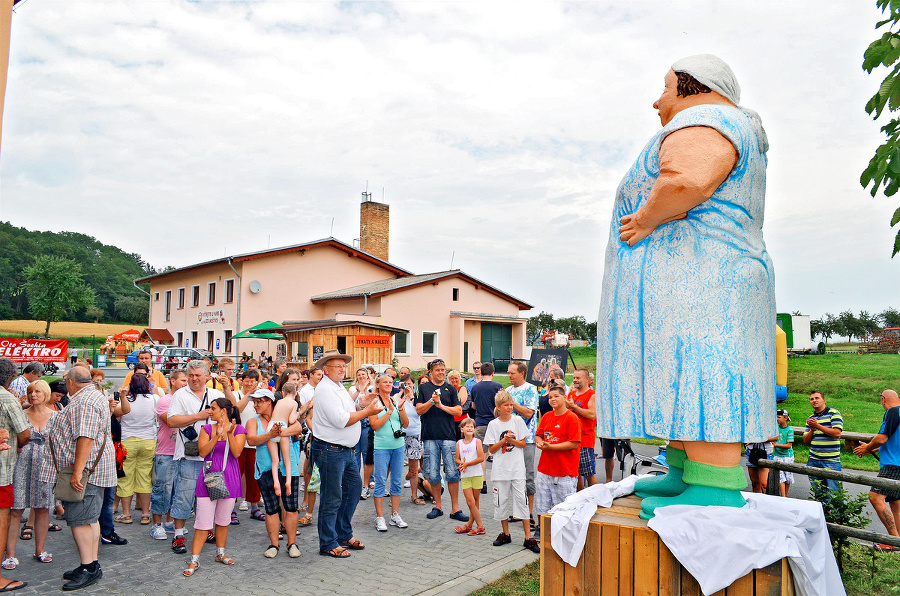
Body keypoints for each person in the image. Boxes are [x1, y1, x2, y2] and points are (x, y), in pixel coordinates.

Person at [596, 55, 775, 519]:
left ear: (692, 88)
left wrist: (644, 218)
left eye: (666, 88)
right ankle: (685, 469)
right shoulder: (718, 122)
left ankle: (715, 484)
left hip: (706, 286)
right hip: (695, 285)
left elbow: (686, 179)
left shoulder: (707, 120)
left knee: (703, 373)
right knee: (680, 375)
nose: (658, 101)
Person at [40, 365, 114, 591]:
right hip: (95, 469)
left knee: (81, 520)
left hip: (86, 471)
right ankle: (90, 565)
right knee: (90, 519)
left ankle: (88, 567)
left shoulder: (84, 402)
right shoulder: (93, 395)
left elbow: (86, 437)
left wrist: (77, 472)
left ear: (71, 382)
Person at [309, 350, 381, 558]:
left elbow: (349, 410)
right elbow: (341, 420)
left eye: (343, 366)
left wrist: (362, 403)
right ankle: (328, 542)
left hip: (346, 450)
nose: (342, 369)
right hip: (331, 450)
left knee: (353, 489)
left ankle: (342, 533)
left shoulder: (337, 387)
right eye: (338, 366)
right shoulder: (324, 389)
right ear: (326, 369)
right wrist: (366, 412)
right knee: (332, 498)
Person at [183, 398, 246, 577]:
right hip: (208, 479)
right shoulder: (206, 429)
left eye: (213, 408)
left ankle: (220, 552)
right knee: (203, 522)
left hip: (229, 479)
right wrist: (217, 436)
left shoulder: (238, 429)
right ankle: (194, 559)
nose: (210, 411)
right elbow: (202, 452)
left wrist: (229, 433)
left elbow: (236, 452)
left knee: (223, 520)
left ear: (224, 411)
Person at [166, 360, 221, 554]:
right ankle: (178, 534)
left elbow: (227, 416)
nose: (194, 379)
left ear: (207, 375)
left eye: (198, 375)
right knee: (183, 496)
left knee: (208, 498)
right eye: (191, 375)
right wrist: (197, 416)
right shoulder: (180, 394)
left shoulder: (216, 394)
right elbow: (171, 420)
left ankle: (206, 530)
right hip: (188, 456)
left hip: (212, 456)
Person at [245, 388, 303, 559]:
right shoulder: (253, 421)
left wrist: (280, 433)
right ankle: (274, 544)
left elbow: (298, 427)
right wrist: (270, 435)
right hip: (265, 470)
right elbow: (251, 440)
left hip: (288, 470)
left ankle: (292, 543)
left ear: (269, 401)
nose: (255, 405)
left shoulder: (283, 417)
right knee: (271, 509)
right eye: (254, 402)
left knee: (291, 507)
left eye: (258, 401)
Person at [5, 380, 55, 570]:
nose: (33, 395)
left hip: (46, 465)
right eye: (30, 391)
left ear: (46, 393)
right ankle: (10, 554)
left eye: (38, 391)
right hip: (21, 464)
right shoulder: (21, 415)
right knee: (16, 509)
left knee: (43, 508)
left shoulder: (56, 416)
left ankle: (40, 550)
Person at [485, 389, 538, 553]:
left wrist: (512, 440)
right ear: (498, 407)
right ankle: (505, 533)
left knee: (522, 502)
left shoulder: (517, 421)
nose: (509, 408)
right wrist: (503, 440)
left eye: (510, 405)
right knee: (501, 502)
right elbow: (492, 449)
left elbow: (523, 444)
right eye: (506, 405)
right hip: (501, 470)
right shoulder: (493, 424)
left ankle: (528, 537)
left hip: (517, 469)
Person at [416, 358, 467, 522]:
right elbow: (418, 410)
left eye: (443, 370)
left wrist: (441, 406)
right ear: (430, 372)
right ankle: (438, 506)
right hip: (430, 437)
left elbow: (459, 411)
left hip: (448, 437)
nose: (441, 373)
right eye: (437, 370)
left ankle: (455, 509)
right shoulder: (423, 388)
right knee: (433, 474)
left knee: (452, 474)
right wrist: (431, 402)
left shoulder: (451, 389)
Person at [853, 389, 900, 551]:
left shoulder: (893, 411)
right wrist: (876, 449)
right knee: (895, 502)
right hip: (897, 461)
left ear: (883, 399)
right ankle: (898, 540)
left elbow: (882, 438)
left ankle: (893, 541)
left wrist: (867, 448)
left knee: (875, 496)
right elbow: (895, 441)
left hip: (893, 464)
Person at [533, 385, 581, 535]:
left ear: (565, 398)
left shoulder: (572, 418)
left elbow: (574, 443)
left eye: (556, 396)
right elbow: (539, 434)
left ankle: (563, 533)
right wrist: (539, 441)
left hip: (564, 471)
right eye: (550, 397)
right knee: (542, 503)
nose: (552, 399)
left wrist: (552, 447)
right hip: (545, 469)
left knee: (564, 506)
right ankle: (542, 530)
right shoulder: (547, 416)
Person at [0, 358, 30, 591]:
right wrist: (18, 444)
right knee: (1, 522)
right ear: (10, 377)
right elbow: (24, 433)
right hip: (3, 471)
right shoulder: (8, 398)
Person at [115, 368, 159, 525]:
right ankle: (146, 514)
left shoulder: (126, 400)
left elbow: (118, 417)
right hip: (148, 441)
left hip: (128, 441)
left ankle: (126, 514)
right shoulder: (154, 399)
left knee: (125, 479)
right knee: (145, 478)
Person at [369, 373, 409, 533]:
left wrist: (400, 408)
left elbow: (405, 424)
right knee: (380, 482)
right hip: (381, 447)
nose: (388, 384)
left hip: (398, 446)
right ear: (378, 385)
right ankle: (380, 517)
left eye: (391, 382)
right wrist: (388, 412)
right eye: (384, 382)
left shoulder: (396, 400)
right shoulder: (374, 402)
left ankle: (395, 515)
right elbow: (375, 426)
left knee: (396, 482)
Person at [149, 370, 187, 540]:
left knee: (178, 490)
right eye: (183, 380)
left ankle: (170, 522)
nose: (187, 383)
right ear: (173, 381)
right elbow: (171, 420)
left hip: (184, 452)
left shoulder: (188, 400)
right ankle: (156, 524)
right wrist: (195, 416)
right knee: (162, 489)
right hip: (166, 452)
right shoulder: (165, 400)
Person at [506, 361, 538, 523]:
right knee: (514, 476)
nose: (509, 375)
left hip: (527, 439)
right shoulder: (507, 390)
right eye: (508, 372)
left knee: (528, 476)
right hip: (510, 440)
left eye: (512, 373)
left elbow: (528, 413)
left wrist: (511, 402)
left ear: (522, 374)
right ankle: (518, 511)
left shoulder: (530, 390)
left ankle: (529, 512)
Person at [232, 369, 265, 522]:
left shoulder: (260, 397)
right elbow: (236, 410)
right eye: (247, 380)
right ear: (242, 381)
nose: (250, 383)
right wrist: (248, 394)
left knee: (254, 477)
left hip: (254, 442)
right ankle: (230, 509)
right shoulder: (237, 394)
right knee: (234, 477)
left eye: (253, 381)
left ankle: (254, 507)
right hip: (238, 443)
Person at [265, 381, 305, 496]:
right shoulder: (293, 403)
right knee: (286, 460)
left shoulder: (279, 401)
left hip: (271, 427)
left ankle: (276, 482)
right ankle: (288, 482)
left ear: (282, 392)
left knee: (275, 460)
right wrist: (298, 413)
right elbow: (292, 420)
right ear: (295, 392)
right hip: (282, 427)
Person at [803, 390, 843, 497]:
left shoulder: (834, 413)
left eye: (817, 398)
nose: (814, 401)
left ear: (824, 400)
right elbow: (806, 440)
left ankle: (836, 514)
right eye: (812, 399)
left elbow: (837, 433)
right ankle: (824, 513)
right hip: (814, 460)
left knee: (835, 495)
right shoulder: (811, 418)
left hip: (830, 460)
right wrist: (812, 429)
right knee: (819, 494)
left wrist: (817, 426)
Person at [565, 369, 599, 488]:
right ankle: (580, 499)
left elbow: (592, 415)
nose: (575, 380)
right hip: (572, 439)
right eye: (574, 378)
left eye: (578, 378)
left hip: (585, 439)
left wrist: (573, 407)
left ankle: (596, 498)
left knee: (588, 473)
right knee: (576, 473)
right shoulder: (571, 394)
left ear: (587, 379)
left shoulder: (592, 395)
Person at [452, 418, 485, 536]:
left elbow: (481, 458)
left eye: (472, 427)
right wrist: (461, 464)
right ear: (462, 429)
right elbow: (457, 458)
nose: (470, 428)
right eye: (467, 426)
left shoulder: (477, 442)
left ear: (475, 429)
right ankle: (480, 526)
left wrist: (466, 464)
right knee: (470, 502)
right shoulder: (459, 443)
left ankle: (469, 525)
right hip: (465, 475)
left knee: (475, 502)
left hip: (476, 474)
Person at [349, 368, 376, 500]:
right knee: (355, 453)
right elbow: (349, 403)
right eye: (358, 374)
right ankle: (356, 480)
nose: (361, 376)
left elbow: (371, 404)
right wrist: (359, 391)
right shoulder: (352, 389)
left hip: (367, 424)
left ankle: (369, 479)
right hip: (355, 424)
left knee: (367, 453)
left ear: (367, 376)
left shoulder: (372, 388)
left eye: (363, 374)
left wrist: (364, 390)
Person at [400, 374, 425, 506]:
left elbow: (420, 411)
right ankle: (395, 496)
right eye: (404, 384)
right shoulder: (397, 397)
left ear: (414, 384)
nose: (407, 386)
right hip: (400, 435)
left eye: (409, 383)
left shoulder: (418, 398)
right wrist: (401, 394)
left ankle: (414, 496)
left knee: (414, 468)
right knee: (396, 466)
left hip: (415, 434)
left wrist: (411, 397)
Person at [772, 409, 794, 498]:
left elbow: (789, 445)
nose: (777, 419)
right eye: (776, 417)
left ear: (785, 418)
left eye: (779, 417)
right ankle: (783, 496)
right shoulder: (776, 428)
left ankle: (786, 495)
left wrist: (776, 445)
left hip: (787, 456)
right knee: (780, 477)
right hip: (777, 455)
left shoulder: (789, 430)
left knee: (788, 477)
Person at [447, 370, 470, 434]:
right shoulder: (447, 389)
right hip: (450, 420)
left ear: (459, 379)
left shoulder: (462, 388)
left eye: (456, 378)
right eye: (452, 378)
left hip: (461, 420)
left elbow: (460, 402)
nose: (454, 380)